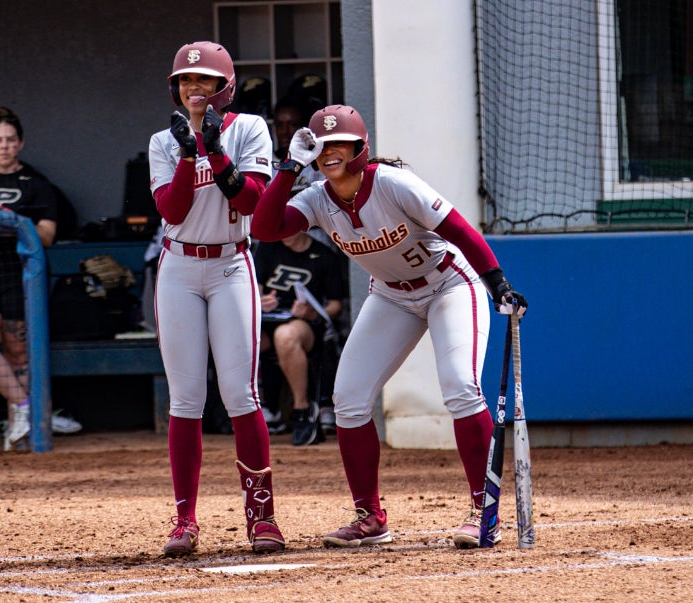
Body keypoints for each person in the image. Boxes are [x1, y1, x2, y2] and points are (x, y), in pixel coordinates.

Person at [252, 104, 528, 550]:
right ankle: (370, 518)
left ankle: (484, 511)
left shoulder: (392, 183)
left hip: (448, 285)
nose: (330, 152)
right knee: (349, 399)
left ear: (361, 147)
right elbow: (265, 228)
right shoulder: (318, 197)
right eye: (322, 146)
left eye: (340, 142)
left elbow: (459, 230)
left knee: (460, 386)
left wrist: (498, 283)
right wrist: (288, 168)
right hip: (392, 295)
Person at [148, 41, 283, 556]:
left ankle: (261, 517)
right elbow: (174, 210)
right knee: (185, 398)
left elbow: (254, 199)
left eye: (202, 80)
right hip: (179, 266)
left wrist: (214, 148)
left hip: (230, 263)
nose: (193, 89)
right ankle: (185, 521)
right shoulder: (165, 140)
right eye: (185, 81)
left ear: (224, 86)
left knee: (241, 394)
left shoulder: (248, 128)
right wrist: (188, 153)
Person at [0, 106, 81, 451]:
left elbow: (47, 235)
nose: (5, 146)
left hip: (21, 277)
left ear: (20, 143)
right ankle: (29, 409)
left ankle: (24, 429)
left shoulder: (38, 186)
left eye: (11, 140)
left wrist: (7, 221)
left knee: (19, 354)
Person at [254, 230, 345, 446]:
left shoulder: (323, 255)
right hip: (268, 319)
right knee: (240, 337)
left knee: (285, 337)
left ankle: (302, 409)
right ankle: (258, 407)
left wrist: (314, 311)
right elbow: (254, 289)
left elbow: (336, 304)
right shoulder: (269, 246)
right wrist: (260, 300)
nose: (284, 232)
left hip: (304, 323)